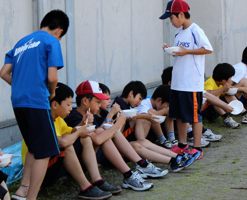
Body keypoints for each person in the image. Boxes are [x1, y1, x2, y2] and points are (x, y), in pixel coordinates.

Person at [0, 10, 69, 200]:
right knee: (44, 152)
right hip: (37, 101)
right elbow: (52, 77)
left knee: (33, 147)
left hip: (18, 101)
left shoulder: (21, 43)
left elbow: (4, 73)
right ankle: (31, 197)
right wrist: (52, 92)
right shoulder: (51, 41)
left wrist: (22, 86)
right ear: (59, 32)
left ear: (43, 24)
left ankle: (22, 190)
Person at [21, 82, 122, 199]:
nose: (70, 108)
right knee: (67, 145)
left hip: (52, 166)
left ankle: (97, 180)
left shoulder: (58, 120)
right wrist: (117, 124)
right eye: (68, 104)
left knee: (85, 138)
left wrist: (82, 124)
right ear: (55, 105)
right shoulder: (44, 121)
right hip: (39, 173)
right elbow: (62, 142)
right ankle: (85, 187)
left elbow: (71, 131)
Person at [64, 80, 155, 191]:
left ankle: (135, 169)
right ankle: (131, 173)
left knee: (105, 132)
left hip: (92, 156)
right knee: (105, 134)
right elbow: (97, 140)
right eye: (97, 101)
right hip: (78, 161)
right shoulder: (75, 117)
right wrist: (119, 124)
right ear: (85, 101)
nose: (100, 104)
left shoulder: (89, 116)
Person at [95, 83, 197, 172]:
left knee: (141, 141)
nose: (109, 101)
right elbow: (115, 133)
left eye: (109, 98)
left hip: (121, 145)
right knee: (138, 143)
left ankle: (178, 157)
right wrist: (116, 116)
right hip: (111, 153)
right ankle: (174, 160)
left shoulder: (105, 112)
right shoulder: (114, 106)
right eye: (105, 98)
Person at [160, 0, 213, 159]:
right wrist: (173, 50)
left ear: (181, 15)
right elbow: (181, 51)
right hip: (178, 82)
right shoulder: (179, 32)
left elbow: (208, 49)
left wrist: (186, 52)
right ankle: (182, 145)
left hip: (191, 83)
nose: (171, 22)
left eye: (171, 18)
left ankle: (197, 148)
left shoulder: (195, 30)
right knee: (179, 115)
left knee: (194, 116)